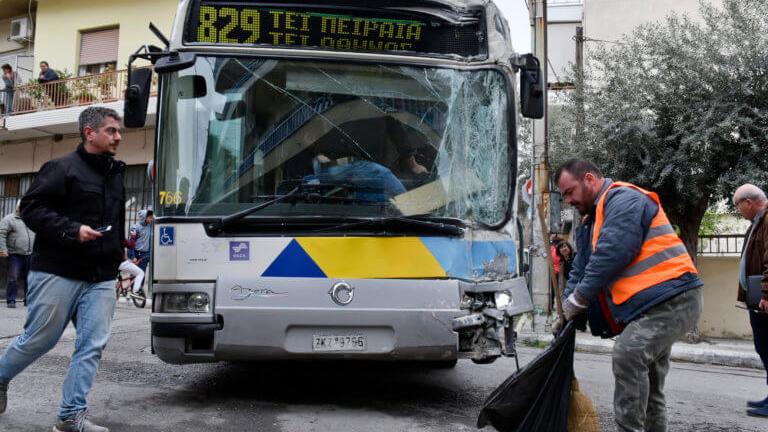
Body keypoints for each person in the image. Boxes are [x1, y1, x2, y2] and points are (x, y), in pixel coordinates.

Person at [0, 106, 125, 432]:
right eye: (111, 130)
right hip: (58, 270)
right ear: (90, 133)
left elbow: (116, 225)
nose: (118, 137)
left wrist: (119, 260)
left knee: (92, 345)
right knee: (40, 339)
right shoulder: (61, 168)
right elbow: (31, 209)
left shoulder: (115, 175)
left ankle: (71, 417)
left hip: (100, 277)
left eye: (118, 131)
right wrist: (72, 229)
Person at [556, 159, 702, 432]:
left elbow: (612, 253)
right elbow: (580, 268)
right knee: (650, 385)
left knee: (628, 354)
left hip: (674, 298)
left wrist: (578, 301)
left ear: (589, 179)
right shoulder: (591, 222)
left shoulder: (623, 199)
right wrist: (566, 311)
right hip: (651, 306)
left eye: (569, 192)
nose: (568, 201)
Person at [732, 184, 768, 418]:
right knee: (763, 347)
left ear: (748, 202)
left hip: (764, 300)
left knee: (767, 347)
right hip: (758, 299)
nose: (739, 212)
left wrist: (766, 293)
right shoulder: (758, 222)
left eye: (738, 207)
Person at [0, 201, 35, 307]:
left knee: (30, 278)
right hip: (15, 254)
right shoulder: (9, 219)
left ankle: (28, 300)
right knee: (13, 278)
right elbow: (1, 234)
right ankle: (11, 300)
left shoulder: (31, 218)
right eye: (21, 207)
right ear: (17, 207)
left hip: (30, 253)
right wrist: (3, 249)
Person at [129, 209, 153, 289]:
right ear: (144, 218)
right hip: (136, 252)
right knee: (134, 272)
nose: (151, 219)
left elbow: (156, 219)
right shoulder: (135, 227)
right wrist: (132, 256)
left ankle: (139, 290)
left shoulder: (150, 225)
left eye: (151, 217)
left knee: (142, 272)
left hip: (145, 254)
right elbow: (131, 243)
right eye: (149, 217)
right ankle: (132, 289)